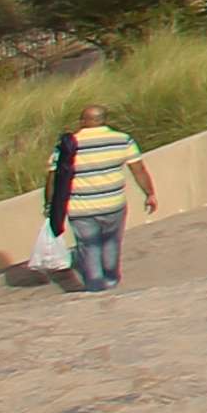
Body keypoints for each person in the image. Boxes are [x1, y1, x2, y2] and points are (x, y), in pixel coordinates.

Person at [47, 103, 142, 295]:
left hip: (80, 209)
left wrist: (50, 203)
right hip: (113, 205)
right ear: (102, 121)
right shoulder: (122, 140)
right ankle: (110, 280)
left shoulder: (69, 144)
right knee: (111, 243)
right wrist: (150, 194)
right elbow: (139, 170)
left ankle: (95, 288)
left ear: (84, 121)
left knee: (88, 247)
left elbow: (53, 177)